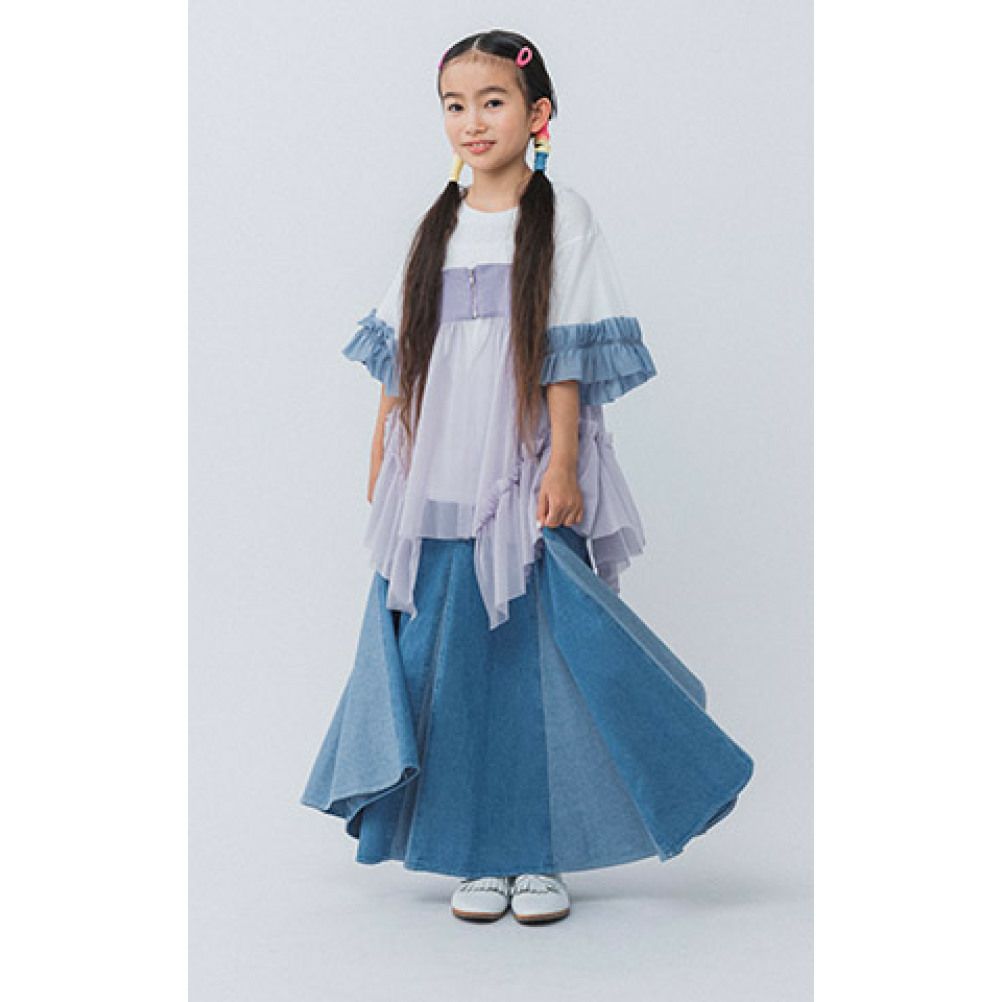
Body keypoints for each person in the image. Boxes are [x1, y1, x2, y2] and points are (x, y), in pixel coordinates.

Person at [300, 29, 754, 926]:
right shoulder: (437, 225)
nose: (472, 121)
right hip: (439, 472)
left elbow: (565, 356)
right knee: (447, 658)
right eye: (455, 105)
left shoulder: (561, 217)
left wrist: (564, 462)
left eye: (493, 102)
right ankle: (476, 850)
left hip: (521, 472)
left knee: (542, 656)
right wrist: (383, 447)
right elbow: (404, 355)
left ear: (537, 113)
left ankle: (537, 851)